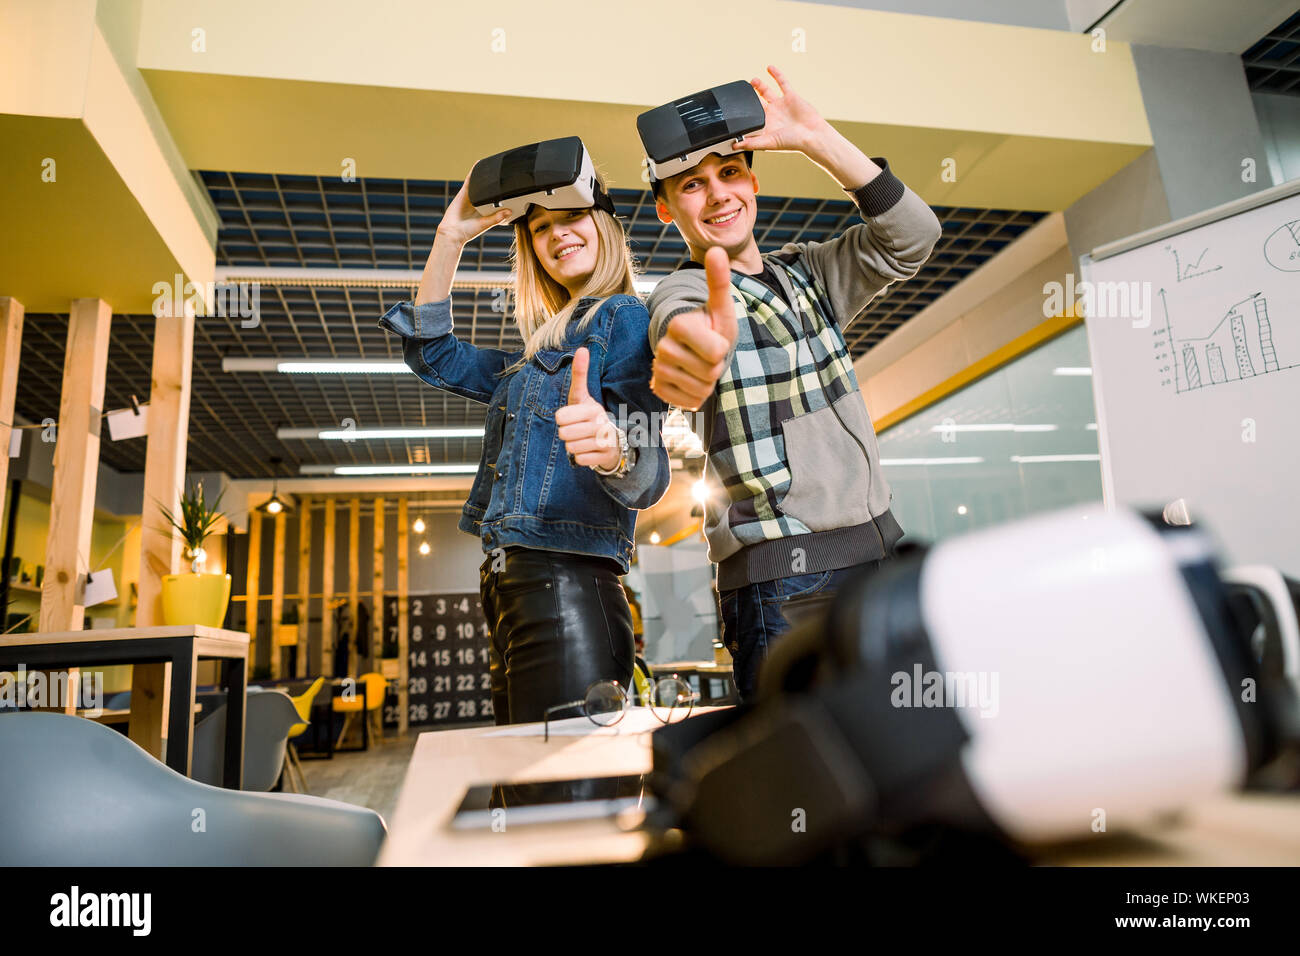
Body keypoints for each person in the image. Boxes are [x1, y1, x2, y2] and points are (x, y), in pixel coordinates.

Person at [641, 67, 943, 701]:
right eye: (692, 186)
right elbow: (680, 328)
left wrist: (815, 138)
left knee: (898, 758)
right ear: (668, 210)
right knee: (802, 779)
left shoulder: (812, 271)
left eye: (729, 173)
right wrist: (691, 356)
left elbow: (915, 237)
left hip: (877, 551)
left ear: (753, 180)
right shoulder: (685, 290)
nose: (718, 195)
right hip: (782, 580)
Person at [378, 141, 669, 724]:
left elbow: (649, 469)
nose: (557, 234)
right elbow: (435, 353)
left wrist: (613, 448)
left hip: (567, 582)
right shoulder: (535, 356)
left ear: (605, 224)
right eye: (540, 229)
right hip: (512, 586)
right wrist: (450, 237)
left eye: (572, 217)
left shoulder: (623, 318)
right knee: (523, 786)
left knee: (560, 791)